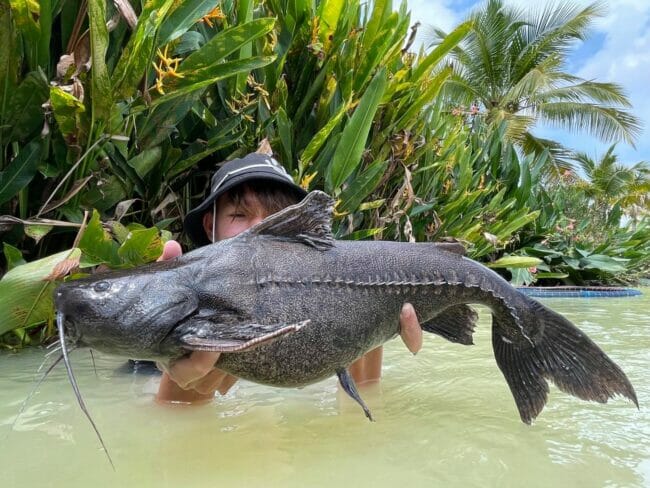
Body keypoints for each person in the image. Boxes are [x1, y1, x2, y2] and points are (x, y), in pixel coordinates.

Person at [156, 152, 423, 404]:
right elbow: (168, 428)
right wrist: (182, 385)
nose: (258, 230)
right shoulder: (171, 326)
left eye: (278, 220)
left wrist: (371, 326)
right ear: (209, 226)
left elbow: (360, 420)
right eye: (239, 215)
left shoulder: (330, 306)